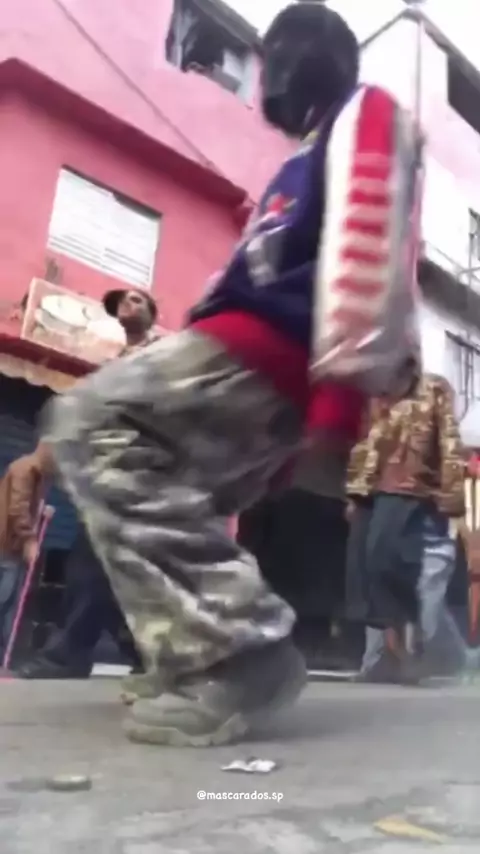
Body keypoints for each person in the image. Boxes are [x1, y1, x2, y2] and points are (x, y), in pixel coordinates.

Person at [43, 2, 421, 747]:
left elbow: (373, 243)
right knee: (154, 484)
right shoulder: (307, 152)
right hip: (248, 356)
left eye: (274, 53)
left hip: (267, 349)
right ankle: (194, 656)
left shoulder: (367, 112)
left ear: (304, 57)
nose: (265, 72)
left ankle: (242, 652)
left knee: (90, 420)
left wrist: (337, 400)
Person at [14, 286, 159, 679]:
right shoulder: (114, 363)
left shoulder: (160, 357)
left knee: (92, 563)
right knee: (114, 570)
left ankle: (69, 654)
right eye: (122, 301)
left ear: (152, 314)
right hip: (108, 475)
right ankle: (148, 655)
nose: (127, 304)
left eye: (137, 299)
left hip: (140, 476)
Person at [346, 366, 466, 683]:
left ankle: (418, 650)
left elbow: (449, 441)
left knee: (390, 564)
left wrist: (450, 495)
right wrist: (355, 492)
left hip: (412, 487)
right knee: (366, 572)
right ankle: (388, 656)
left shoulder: (433, 387)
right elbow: (364, 440)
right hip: (372, 488)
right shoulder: (374, 390)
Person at [0, 442, 52, 660]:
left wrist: (41, 513)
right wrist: (30, 540)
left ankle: (6, 655)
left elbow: (26, 506)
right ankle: (5, 654)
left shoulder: (37, 474)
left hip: (12, 546)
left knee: (11, 601)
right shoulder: (25, 470)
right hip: (8, 547)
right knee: (6, 600)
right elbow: (18, 508)